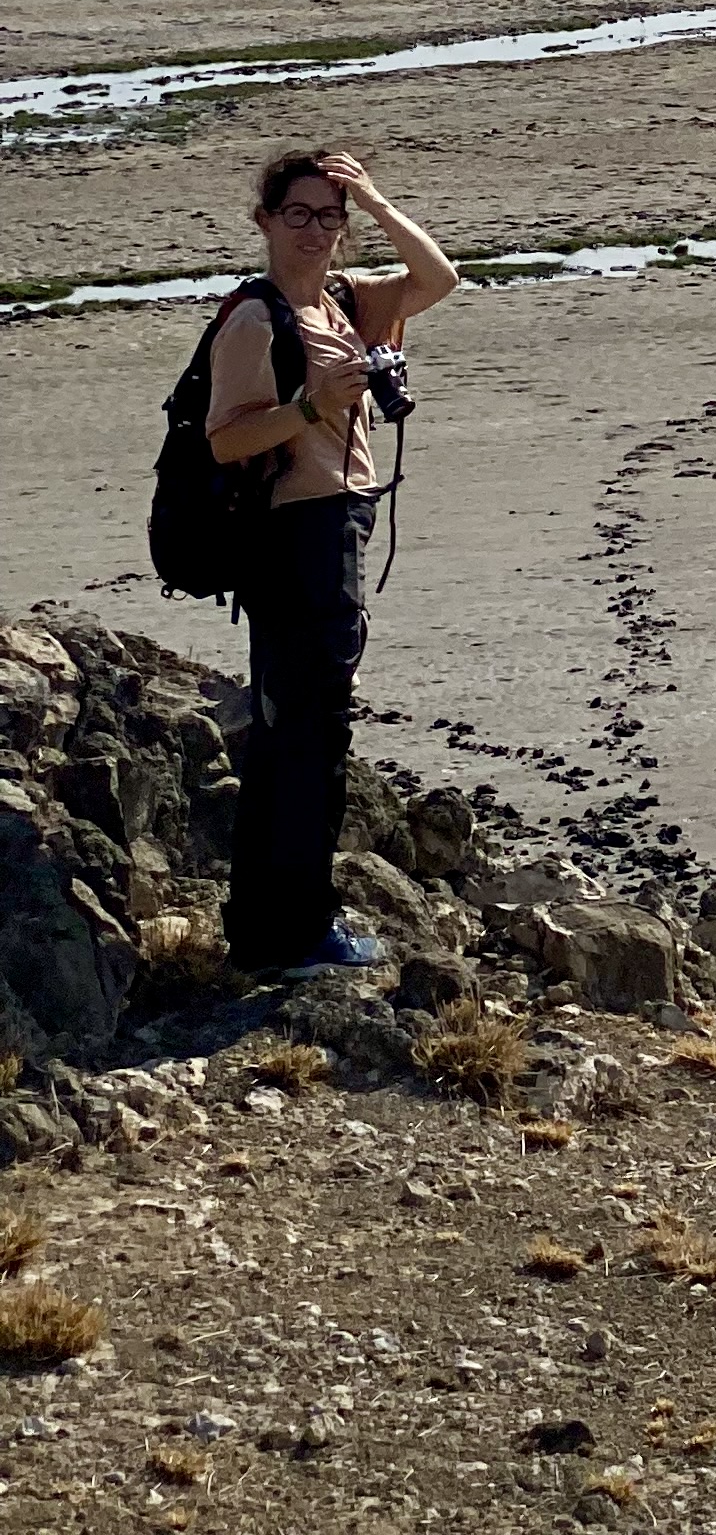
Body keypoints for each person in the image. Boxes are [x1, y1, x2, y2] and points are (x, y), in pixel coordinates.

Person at [205, 145, 459, 972]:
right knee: (310, 734)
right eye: (299, 214)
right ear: (265, 222)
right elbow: (227, 439)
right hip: (295, 534)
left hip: (338, 522)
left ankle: (265, 930)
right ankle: (297, 931)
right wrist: (313, 404)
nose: (315, 230)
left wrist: (377, 199)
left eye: (328, 215)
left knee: (299, 731)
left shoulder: (346, 303)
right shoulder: (254, 319)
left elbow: (439, 278)